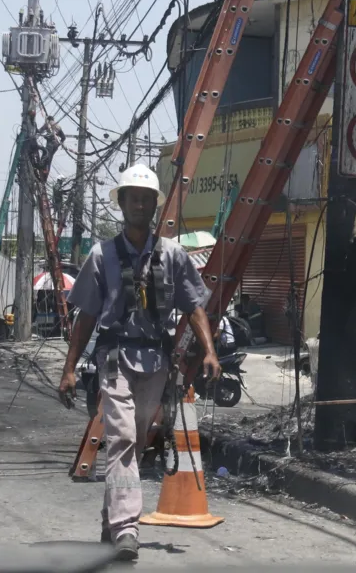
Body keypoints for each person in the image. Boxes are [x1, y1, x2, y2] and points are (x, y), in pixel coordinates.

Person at [58, 163, 221, 562]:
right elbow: (86, 317)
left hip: (156, 363)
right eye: (133, 198)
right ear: (123, 204)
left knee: (136, 441)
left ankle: (111, 522)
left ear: (153, 207)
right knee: (123, 439)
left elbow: (195, 306)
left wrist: (211, 351)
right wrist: (69, 367)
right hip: (115, 359)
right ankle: (128, 528)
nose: (139, 205)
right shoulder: (102, 255)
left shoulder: (172, 255)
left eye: (146, 200)